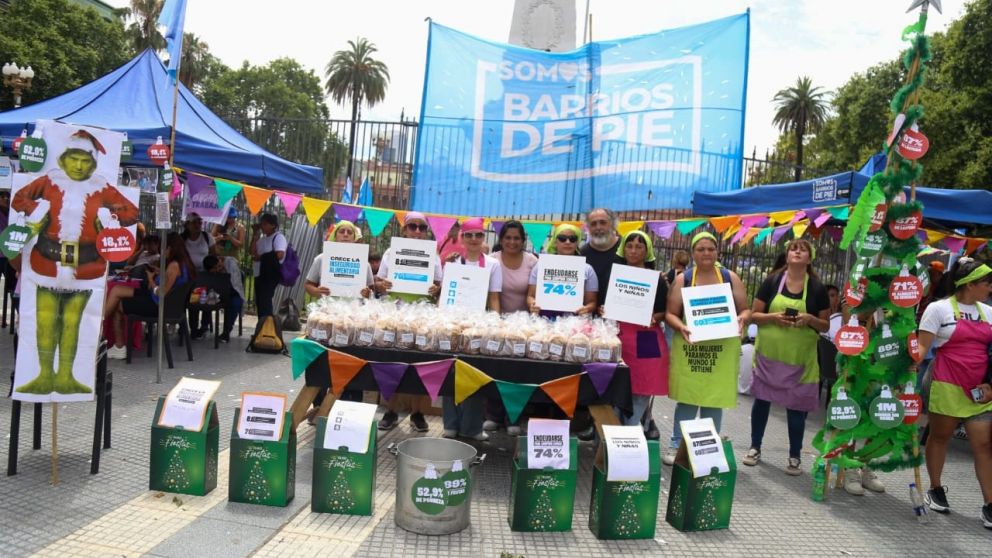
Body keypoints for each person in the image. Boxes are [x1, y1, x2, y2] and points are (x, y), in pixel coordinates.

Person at [12, 130, 140, 393]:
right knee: (45, 319)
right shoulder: (48, 182)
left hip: (86, 265)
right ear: (64, 159)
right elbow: (19, 199)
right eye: (74, 159)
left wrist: (110, 217)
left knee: (74, 321)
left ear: (92, 162)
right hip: (46, 262)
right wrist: (36, 210)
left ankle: (68, 376)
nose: (79, 166)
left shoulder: (102, 187)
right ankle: (44, 375)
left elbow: (132, 212)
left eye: (85, 160)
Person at [744, 239, 830, 475]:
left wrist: (809, 319)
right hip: (768, 359)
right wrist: (773, 318)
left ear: (809, 259)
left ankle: (794, 456)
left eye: (803, 249)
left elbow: (824, 326)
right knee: (761, 402)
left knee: (796, 409)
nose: (797, 252)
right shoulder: (771, 281)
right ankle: (754, 447)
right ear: (787, 254)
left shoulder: (817, 289)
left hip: (800, 363)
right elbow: (754, 315)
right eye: (794, 248)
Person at [917, 257, 992, 527]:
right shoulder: (938, 310)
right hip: (945, 384)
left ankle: (989, 504)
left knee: (984, 444)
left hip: (980, 391)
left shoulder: (989, 312)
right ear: (969, 285)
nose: (990, 288)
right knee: (940, 437)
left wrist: (991, 385)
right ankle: (936, 488)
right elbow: (922, 350)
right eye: (986, 283)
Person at [664, 231, 750, 465]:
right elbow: (671, 313)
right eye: (700, 249)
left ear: (717, 252)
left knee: (714, 400)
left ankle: (708, 448)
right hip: (691, 346)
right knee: (687, 400)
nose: (706, 253)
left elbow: (745, 309)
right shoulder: (684, 279)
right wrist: (681, 326)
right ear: (693, 253)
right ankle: (676, 445)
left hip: (721, 350)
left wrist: (742, 319)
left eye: (710, 249)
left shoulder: (729, 277)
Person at [374, 211, 443, 432]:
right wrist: (381, 285)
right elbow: (378, 281)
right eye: (412, 226)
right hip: (397, 312)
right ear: (404, 229)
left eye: (422, 228)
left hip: (423, 315)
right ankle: (391, 411)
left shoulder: (433, 256)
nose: (417, 231)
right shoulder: (391, 252)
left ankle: (418, 413)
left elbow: (440, 284)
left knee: (422, 365)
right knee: (394, 363)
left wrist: (436, 288)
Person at [302, 220, 373, 423]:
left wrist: (367, 293)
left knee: (351, 361)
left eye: (349, 232)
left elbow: (369, 290)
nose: (344, 234)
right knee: (321, 362)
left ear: (354, 237)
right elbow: (308, 284)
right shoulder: (322, 259)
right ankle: (318, 409)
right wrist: (316, 291)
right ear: (334, 235)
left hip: (352, 321)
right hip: (326, 318)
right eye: (340, 231)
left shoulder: (364, 262)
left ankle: (350, 410)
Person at [601, 230, 668, 437]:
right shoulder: (612, 275)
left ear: (647, 251)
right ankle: (612, 434)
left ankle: (630, 433)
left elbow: (664, 310)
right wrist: (602, 309)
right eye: (629, 246)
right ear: (623, 249)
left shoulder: (657, 279)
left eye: (639, 246)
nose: (633, 250)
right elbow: (600, 303)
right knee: (615, 385)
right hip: (618, 336)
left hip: (646, 336)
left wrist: (655, 317)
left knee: (643, 385)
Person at [442, 218, 502, 441]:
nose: (474, 239)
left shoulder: (493, 265)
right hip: (454, 324)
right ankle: (450, 423)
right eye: (469, 235)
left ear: (483, 238)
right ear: (462, 238)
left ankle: (472, 427)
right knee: (451, 370)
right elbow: (445, 295)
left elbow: (494, 297)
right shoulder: (453, 262)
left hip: (479, 325)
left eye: (478, 235)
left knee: (475, 374)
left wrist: (495, 323)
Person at [482, 220, 540, 435]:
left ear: (523, 240)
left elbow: (537, 292)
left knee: (519, 373)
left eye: (517, 238)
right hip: (496, 323)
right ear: (501, 239)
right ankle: (493, 416)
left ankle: (513, 417)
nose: (512, 242)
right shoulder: (492, 260)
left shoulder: (532, 261)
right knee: (494, 370)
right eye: (508, 238)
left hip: (523, 327)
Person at [103, 233, 194, 359]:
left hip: (157, 305)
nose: (161, 251)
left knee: (117, 305)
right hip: (156, 300)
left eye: (164, 248)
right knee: (117, 290)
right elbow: (170, 283)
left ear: (170, 248)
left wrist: (151, 281)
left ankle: (117, 344)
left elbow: (162, 293)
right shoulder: (183, 264)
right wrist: (159, 272)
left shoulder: (174, 266)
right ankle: (103, 325)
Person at [527, 223, 598, 317]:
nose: (567, 242)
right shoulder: (541, 266)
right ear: (555, 242)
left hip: (574, 321)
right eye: (562, 238)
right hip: (544, 320)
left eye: (572, 239)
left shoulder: (587, 269)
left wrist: (587, 308)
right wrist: (532, 304)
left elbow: (592, 302)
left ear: (577, 243)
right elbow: (530, 296)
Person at [182, 213, 216, 338]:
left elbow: (214, 255)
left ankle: (204, 325)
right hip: (188, 276)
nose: (197, 225)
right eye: (194, 222)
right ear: (187, 225)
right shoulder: (182, 239)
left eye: (199, 222)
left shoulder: (207, 237)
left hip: (205, 275)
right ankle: (193, 328)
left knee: (205, 301)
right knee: (192, 301)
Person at [580, 208, 622, 308]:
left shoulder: (626, 249)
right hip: (587, 315)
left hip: (619, 316)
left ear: (612, 225)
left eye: (603, 223)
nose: (598, 227)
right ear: (588, 228)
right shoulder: (582, 253)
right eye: (593, 224)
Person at [201, 254, 245, 343]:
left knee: (235, 303)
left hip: (233, 292)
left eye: (218, 267)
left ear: (219, 261)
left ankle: (226, 332)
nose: (218, 270)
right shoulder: (211, 269)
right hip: (217, 292)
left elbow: (236, 286)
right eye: (214, 270)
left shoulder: (231, 264)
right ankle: (203, 327)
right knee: (206, 301)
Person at [250, 213, 286, 318]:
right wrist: (255, 236)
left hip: (270, 275)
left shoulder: (278, 237)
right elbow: (252, 252)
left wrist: (261, 257)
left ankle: (267, 327)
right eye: (262, 224)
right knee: (260, 302)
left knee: (265, 301)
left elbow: (280, 254)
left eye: (265, 224)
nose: (262, 227)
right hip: (259, 273)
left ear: (273, 225)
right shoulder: (262, 239)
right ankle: (261, 326)